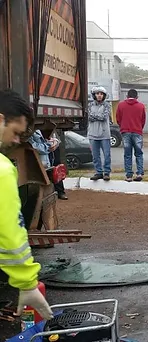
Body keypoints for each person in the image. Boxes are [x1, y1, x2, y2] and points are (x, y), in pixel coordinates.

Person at [0, 89, 54, 321]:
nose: (15, 141)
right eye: (15, 133)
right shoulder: (2, 170)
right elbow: (10, 232)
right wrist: (27, 283)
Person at [116, 89, 147, 182]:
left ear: (127, 96)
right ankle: (140, 173)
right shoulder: (141, 106)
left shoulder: (121, 105)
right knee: (139, 154)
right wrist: (139, 127)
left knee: (127, 154)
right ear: (137, 97)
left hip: (125, 132)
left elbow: (118, 118)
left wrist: (123, 126)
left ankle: (129, 175)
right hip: (137, 131)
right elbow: (143, 120)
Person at [87, 86, 112, 181]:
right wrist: (97, 116)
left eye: (101, 94)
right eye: (97, 94)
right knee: (95, 155)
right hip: (93, 134)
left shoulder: (107, 105)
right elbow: (89, 116)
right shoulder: (90, 105)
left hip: (104, 134)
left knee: (106, 155)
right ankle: (98, 172)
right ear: (94, 95)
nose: (99, 95)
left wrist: (95, 116)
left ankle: (106, 172)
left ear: (104, 95)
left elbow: (104, 117)